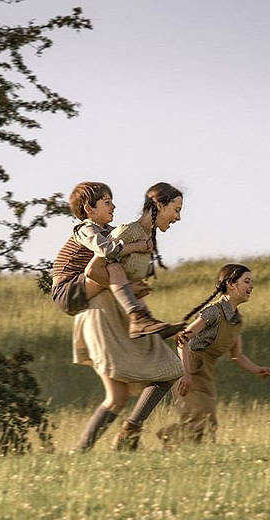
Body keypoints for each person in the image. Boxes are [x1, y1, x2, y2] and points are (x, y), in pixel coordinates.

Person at [71, 182, 187, 452]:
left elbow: (125, 284)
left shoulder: (145, 238)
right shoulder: (127, 232)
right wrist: (133, 289)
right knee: (118, 395)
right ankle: (98, 447)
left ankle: (125, 435)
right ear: (159, 205)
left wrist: (151, 318)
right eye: (176, 209)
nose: (178, 217)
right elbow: (93, 272)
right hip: (103, 316)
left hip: (125, 317)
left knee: (167, 370)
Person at [157, 264, 270, 445]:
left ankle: (179, 451)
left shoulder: (236, 319)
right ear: (231, 284)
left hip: (207, 374)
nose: (252, 286)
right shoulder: (213, 312)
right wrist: (186, 374)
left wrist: (257, 370)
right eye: (247, 281)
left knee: (208, 425)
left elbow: (237, 356)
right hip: (190, 369)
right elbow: (183, 339)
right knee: (199, 422)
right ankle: (168, 437)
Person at [51, 181, 181, 339]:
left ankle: (146, 318)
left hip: (81, 284)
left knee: (121, 270)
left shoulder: (107, 230)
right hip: (67, 290)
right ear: (89, 208)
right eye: (107, 203)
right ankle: (137, 317)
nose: (113, 206)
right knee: (114, 268)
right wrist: (137, 246)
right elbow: (107, 250)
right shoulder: (85, 230)